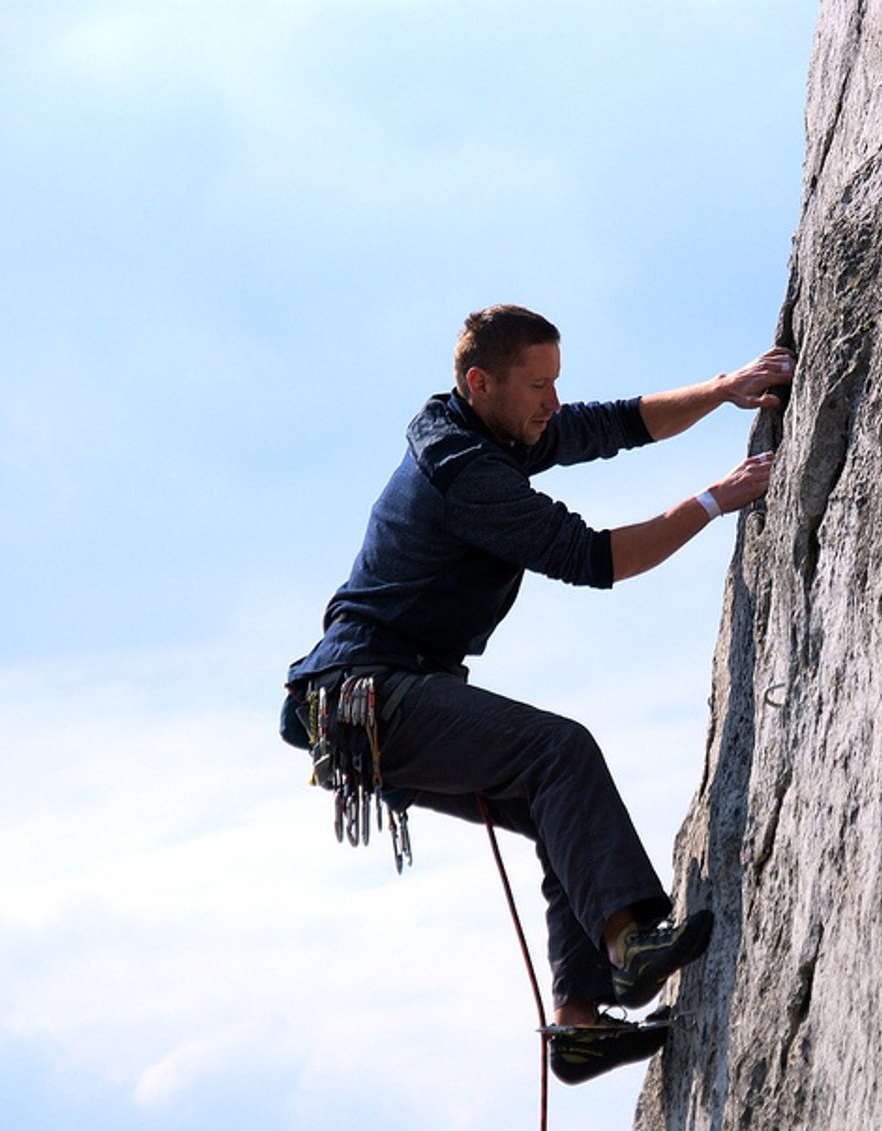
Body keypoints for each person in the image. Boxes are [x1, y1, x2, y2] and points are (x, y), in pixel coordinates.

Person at [282, 304, 793, 1084]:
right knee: (560, 754)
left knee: (561, 811)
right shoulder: (466, 473)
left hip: (371, 704)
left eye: (555, 382)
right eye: (537, 386)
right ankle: (626, 949)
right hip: (366, 694)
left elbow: (610, 425)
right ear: (480, 383)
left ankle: (580, 1022)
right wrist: (717, 500)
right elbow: (596, 559)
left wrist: (725, 389)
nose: (551, 402)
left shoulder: (492, 428)